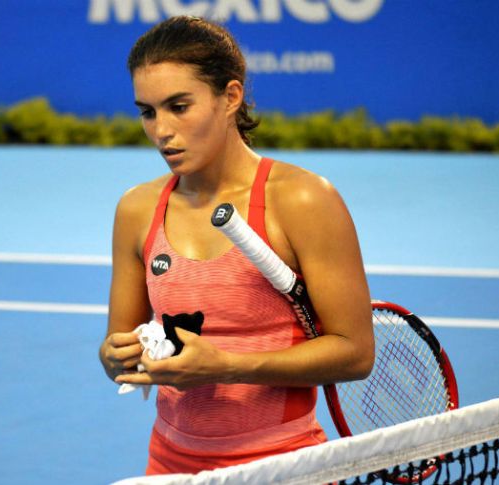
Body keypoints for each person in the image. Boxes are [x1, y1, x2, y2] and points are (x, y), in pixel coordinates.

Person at [99, 15, 375, 475]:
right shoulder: (136, 210)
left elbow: (356, 352)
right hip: (170, 464)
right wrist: (115, 356)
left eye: (179, 106)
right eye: (148, 112)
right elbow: (119, 349)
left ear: (230, 96)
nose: (161, 130)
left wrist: (227, 366)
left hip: (285, 467)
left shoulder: (303, 200)